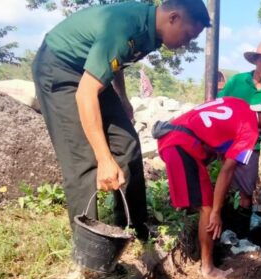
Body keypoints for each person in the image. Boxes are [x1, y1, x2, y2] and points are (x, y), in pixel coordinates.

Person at [32, 0, 209, 244]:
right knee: (83, 159)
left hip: (89, 71)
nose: (186, 43)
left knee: (128, 145)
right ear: (174, 17)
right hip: (59, 67)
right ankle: (89, 249)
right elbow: (85, 94)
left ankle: (133, 229)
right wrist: (105, 159)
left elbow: (118, 60)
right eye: (189, 35)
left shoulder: (153, 35)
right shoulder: (126, 27)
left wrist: (122, 97)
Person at [155, 93, 261, 279]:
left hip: (171, 136)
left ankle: (203, 243)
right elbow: (227, 171)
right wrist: (217, 212)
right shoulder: (250, 131)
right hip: (181, 145)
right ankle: (208, 268)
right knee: (208, 208)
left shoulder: (238, 103)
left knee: (205, 200)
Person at [217, 40, 261, 234]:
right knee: (220, 186)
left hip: (250, 148)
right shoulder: (237, 82)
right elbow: (219, 105)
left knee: (246, 192)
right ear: (256, 60)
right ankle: (220, 227)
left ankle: (240, 236)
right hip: (225, 143)